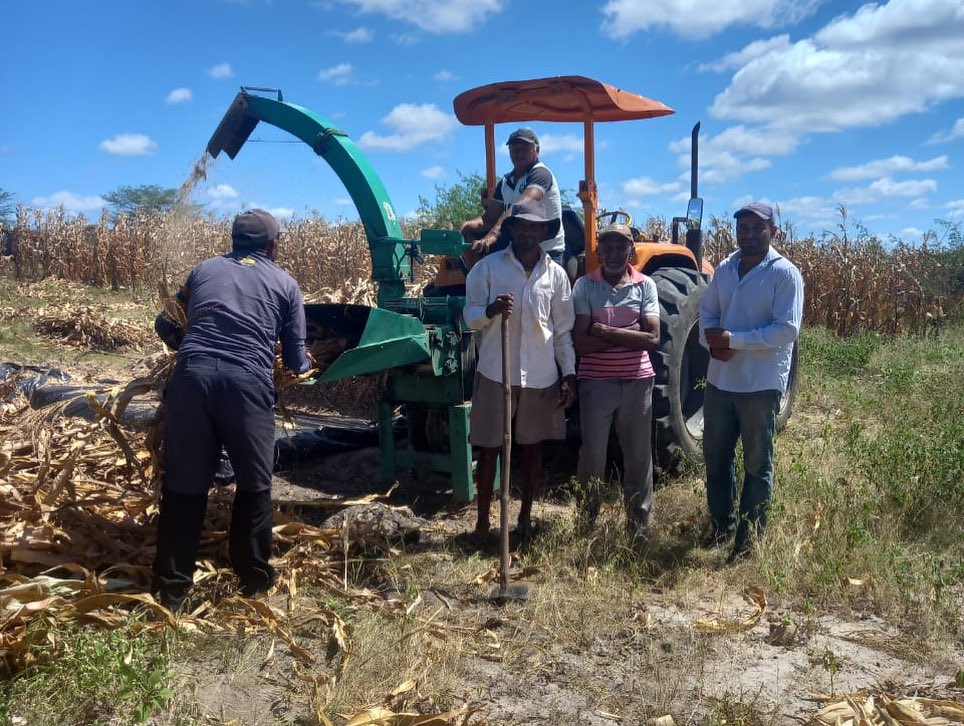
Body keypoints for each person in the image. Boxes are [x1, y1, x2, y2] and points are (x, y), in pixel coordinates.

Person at [152, 208, 313, 610]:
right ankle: (253, 580)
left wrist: (189, 346)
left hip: (190, 381)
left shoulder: (202, 271)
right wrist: (310, 365)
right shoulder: (285, 284)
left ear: (233, 240)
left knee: (184, 485)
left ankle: (171, 591)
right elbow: (295, 361)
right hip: (245, 386)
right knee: (255, 482)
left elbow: (165, 322)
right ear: (273, 246)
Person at [463, 199, 576, 546]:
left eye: (534, 227)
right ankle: (483, 523)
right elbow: (469, 318)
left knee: (532, 449)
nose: (527, 232)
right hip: (497, 370)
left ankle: (524, 519)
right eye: (521, 226)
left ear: (544, 233)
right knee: (490, 449)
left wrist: (568, 374)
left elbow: (561, 332)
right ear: (511, 230)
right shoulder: (488, 269)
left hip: (540, 374)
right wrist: (492, 310)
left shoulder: (555, 275)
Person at [699, 201, 804, 563]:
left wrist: (733, 341)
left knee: (757, 464)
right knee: (716, 456)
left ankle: (748, 542)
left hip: (759, 385)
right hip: (721, 378)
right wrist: (712, 343)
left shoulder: (785, 274)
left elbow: (787, 329)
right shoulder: (725, 269)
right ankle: (722, 526)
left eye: (756, 227)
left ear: (773, 231)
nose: (747, 234)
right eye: (742, 227)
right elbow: (707, 310)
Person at [571, 224, 660, 545]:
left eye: (619, 246)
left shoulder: (645, 286)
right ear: (598, 252)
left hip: (638, 383)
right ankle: (585, 524)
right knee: (592, 456)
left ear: (630, 251)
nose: (612, 253)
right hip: (596, 383)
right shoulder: (583, 286)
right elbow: (580, 343)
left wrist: (604, 331)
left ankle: (639, 528)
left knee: (638, 457)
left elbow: (652, 338)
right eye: (606, 246)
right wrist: (629, 334)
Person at [460, 127, 566, 264]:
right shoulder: (505, 182)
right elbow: (489, 218)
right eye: (515, 149)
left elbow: (521, 206)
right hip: (519, 251)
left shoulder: (541, 174)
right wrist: (467, 225)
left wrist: (491, 236)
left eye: (525, 149)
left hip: (548, 252)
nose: (519, 153)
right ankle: (474, 275)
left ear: (536, 150)